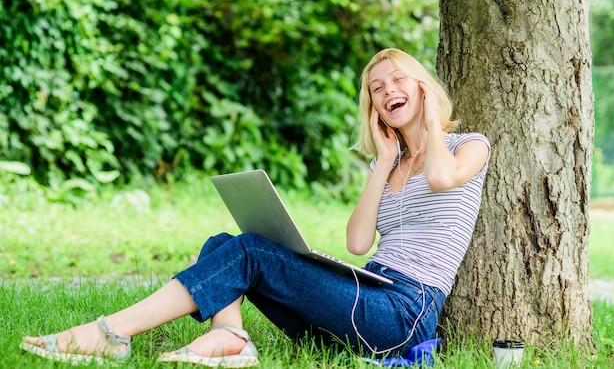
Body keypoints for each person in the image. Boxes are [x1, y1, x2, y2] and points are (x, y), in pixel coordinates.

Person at [20, 48, 490, 367]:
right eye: (376, 89)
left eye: (398, 80)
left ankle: (111, 334)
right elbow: (358, 243)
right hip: (365, 298)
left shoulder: (470, 145)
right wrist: (385, 160)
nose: (387, 92)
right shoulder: (384, 164)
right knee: (223, 244)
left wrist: (430, 121)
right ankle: (232, 338)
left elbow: (440, 177)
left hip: (404, 316)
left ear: (423, 86)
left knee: (248, 252)